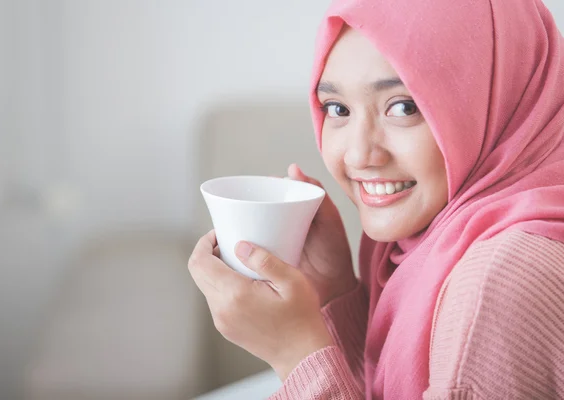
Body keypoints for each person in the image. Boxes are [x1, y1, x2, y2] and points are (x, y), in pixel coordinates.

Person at [188, 0, 564, 398]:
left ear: (502, 98)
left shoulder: (499, 283)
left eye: (403, 107)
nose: (358, 155)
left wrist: (295, 354)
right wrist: (336, 293)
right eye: (338, 108)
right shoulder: (418, 249)